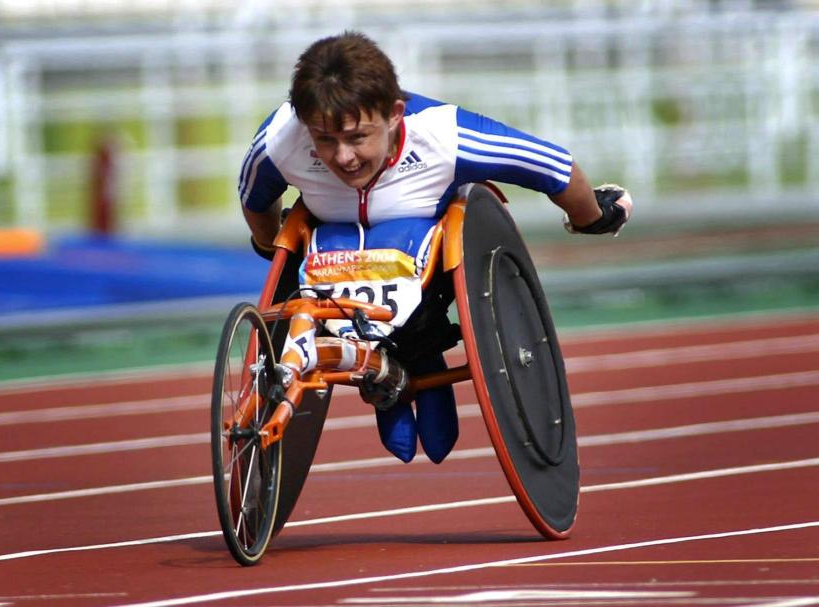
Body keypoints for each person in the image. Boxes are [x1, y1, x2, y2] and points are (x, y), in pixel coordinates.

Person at [238, 30, 632, 464]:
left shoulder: (442, 134)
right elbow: (255, 200)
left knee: (423, 306)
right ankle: (382, 365)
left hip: (425, 267)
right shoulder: (281, 138)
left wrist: (590, 215)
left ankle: (418, 348)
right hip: (328, 263)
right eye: (325, 140)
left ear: (394, 115)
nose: (343, 157)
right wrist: (269, 245)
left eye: (356, 137)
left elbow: (551, 165)